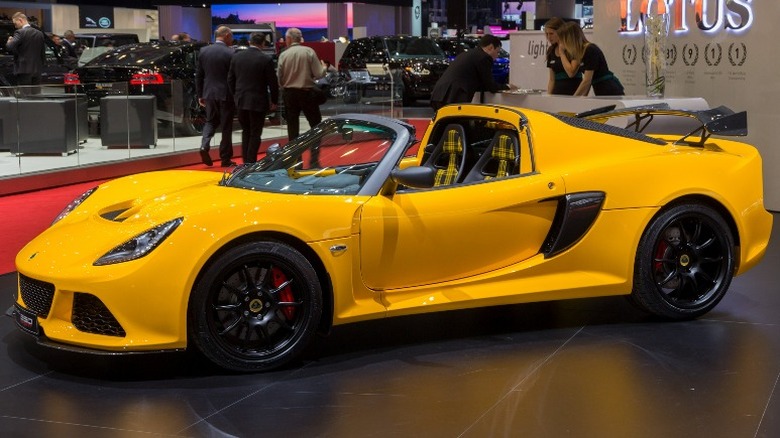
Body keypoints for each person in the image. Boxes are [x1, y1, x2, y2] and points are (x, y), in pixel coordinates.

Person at [228, 32, 279, 164]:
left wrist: (235, 95)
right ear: (262, 43)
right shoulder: (265, 59)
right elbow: (272, 83)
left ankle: (246, 161)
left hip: (241, 100)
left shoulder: (236, 57)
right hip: (258, 101)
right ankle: (251, 162)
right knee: (255, 133)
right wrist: (274, 101)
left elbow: (230, 80)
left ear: (250, 41)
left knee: (246, 132)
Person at [429, 34, 517, 110]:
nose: (497, 56)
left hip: (439, 94)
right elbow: (491, 86)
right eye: (497, 52)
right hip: (454, 97)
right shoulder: (484, 58)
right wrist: (508, 87)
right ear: (490, 47)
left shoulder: (468, 54)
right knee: (458, 126)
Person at [277, 27, 327, 142]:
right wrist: (324, 68)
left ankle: (295, 158)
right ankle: (315, 155)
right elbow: (319, 74)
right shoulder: (309, 51)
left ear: (289, 39)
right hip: (307, 93)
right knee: (315, 126)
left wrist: (284, 86)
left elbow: (279, 77)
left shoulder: (284, 55)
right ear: (300, 39)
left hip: (289, 94)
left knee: (292, 128)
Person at [196, 25, 236, 167]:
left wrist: (200, 94)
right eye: (231, 36)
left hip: (209, 93)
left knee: (210, 121)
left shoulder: (204, 51)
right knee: (226, 127)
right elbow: (233, 77)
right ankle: (225, 159)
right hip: (226, 94)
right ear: (226, 36)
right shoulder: (231, 53)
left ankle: (204, 145)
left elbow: (199, 76)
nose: (232, 39)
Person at [556, 21, 624, 96]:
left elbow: (587, 81)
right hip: (600, 89)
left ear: (569, 39)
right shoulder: (580, 52)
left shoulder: (589, 50)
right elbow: (587, 82)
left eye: (562, 40)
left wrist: (574, 99)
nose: (561, 44)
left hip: (609, 89)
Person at [5, 12, 45, 88]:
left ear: (20, 20)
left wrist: (9, 41)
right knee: (36, 96)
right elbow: (42, 53)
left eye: (15, 24)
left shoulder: (20, 32)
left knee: (25, 97)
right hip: (37, 70)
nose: (15, 26)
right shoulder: (40, 33)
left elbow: (9, 47)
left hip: (23, 70)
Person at [544, 17, 582, 95]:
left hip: (574, 93)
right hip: (557, 93)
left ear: (560, 32)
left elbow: (571, 73)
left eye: (551, 33)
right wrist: (549, 96)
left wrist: (562, 53)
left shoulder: (572, 48)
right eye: (547, 34)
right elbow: (552, 79)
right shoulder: (551, 50)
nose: (548, 37)